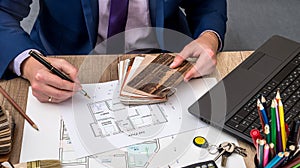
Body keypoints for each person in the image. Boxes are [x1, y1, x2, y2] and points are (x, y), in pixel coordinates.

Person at [0, 0, 227, 103]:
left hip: (164, 59)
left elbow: (206, 3)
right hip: (68, 61)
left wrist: (209, 37)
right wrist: (28, 63)